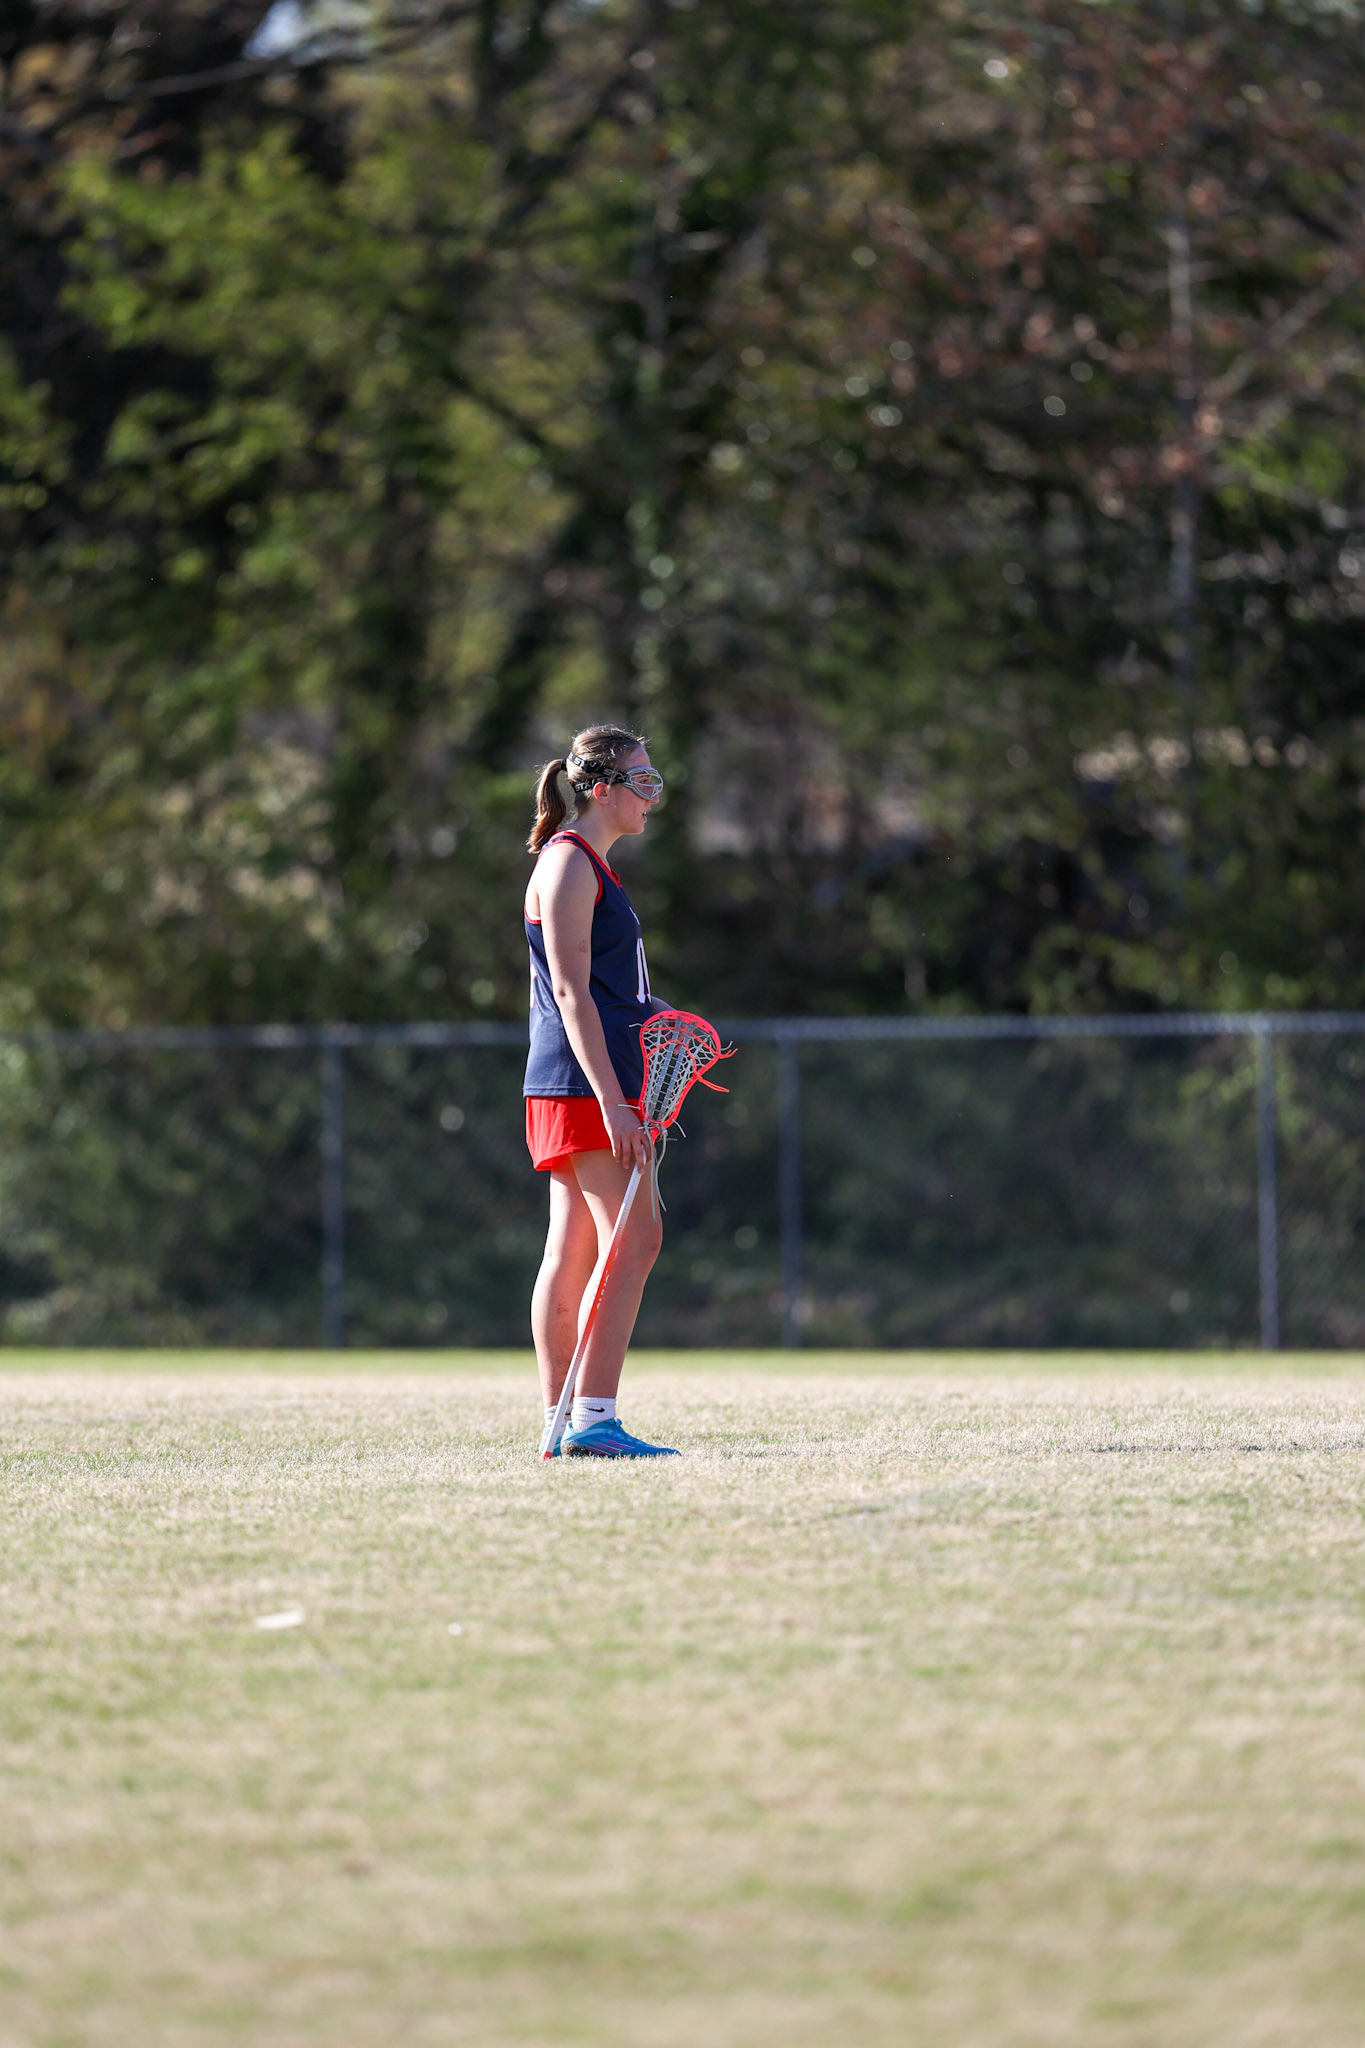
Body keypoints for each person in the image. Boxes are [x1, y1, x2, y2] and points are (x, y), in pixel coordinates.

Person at [524, 724, 678, 1458]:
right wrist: (614, 1099)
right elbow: (568, 989)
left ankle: (565, 1422)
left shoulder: (590, 865)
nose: (652, 794)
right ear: (602, 788)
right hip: (584, 1083)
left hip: (587, 1077)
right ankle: (590, 1420)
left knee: (579, 1246)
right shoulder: (569, 863)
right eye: (641, 781)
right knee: (635, 1235)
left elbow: (606, 990)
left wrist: (654, 1015)